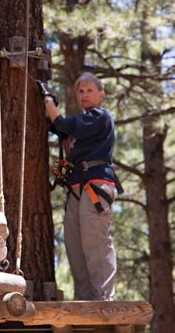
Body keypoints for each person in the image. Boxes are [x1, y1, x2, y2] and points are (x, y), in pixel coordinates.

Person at [42, 73, 120, 301]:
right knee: (75, 248)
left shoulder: (100, 117)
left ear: (101, 95)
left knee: (96, 243)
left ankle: (104, 299)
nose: (84, 95)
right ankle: (85, 300)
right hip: (78, 187)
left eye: (89, 91)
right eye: (81, 91)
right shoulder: (85, 125)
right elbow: (62, 128)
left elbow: (64, 125)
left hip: (95, 185)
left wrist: (48, 103)